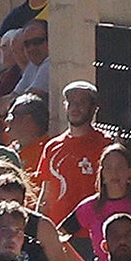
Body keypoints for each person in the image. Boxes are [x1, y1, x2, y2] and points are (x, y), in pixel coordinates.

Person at [37, 84, 113, 229]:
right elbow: (46, 193)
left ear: (94, 108)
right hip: (58, 231)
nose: (75, 107)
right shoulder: (52, 147)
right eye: (71, 102)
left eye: (82, 102)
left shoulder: (106, 145)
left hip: (92, 230)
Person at [64, 142, 131, 261]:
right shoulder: (90, 207)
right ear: (102, 173)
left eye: (120, 167)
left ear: (130, 172)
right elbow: (59, 236)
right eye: (108, 168)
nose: (114, 173)